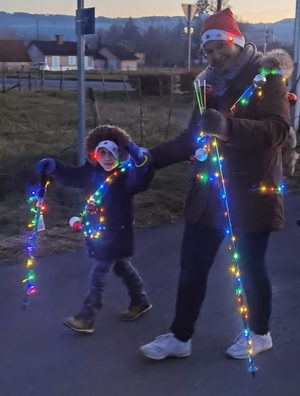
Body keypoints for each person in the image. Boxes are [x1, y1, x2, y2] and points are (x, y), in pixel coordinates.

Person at [140, 8, 294, 360]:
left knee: (250, 268)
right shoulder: (206, 84)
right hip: (208, 190)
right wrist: (151, 157)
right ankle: (180, 337)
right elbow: (193, 136)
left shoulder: (267, 77)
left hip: (252, 192)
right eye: (207, 51)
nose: (214, 55)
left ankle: (259, 333)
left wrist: (228, 129)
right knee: (192, 267)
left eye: (220, 46)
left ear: (237, 42)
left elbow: (277, 130)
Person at [36, 124, 154, 334]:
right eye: (102, 153)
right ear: (94, 153)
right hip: (98, 232)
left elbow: (142, 180)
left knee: (98, 274)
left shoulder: (125, 176)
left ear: (122, 153)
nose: (108, 158)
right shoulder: (90, 171)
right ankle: (140, 300)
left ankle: (87, 316)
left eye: (113, 153)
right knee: (122, 267)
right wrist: (54, 167)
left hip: (117, 233)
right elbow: (71, 176)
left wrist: (140, 162)